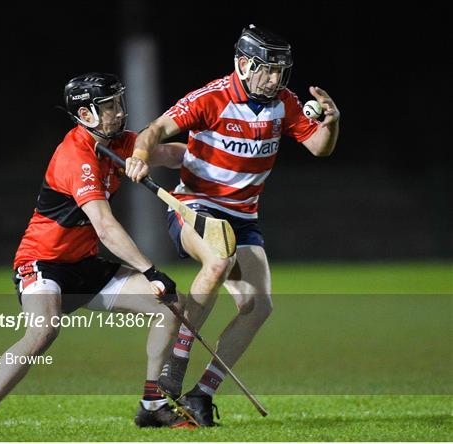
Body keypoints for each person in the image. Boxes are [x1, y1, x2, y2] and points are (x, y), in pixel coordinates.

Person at [125, 24, 341, 426]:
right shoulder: (213, 97)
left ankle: (201, 394)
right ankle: (177, 363)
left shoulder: (285, 103)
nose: (275, 79)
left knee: (258, 306)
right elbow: (154, 130)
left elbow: (318, 147)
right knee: (217, 261)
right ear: (243, 64)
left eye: (280, 71)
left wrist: (332, 122)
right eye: (266, 69)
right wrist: (140, 153)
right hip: (195, 206)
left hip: (244, 217)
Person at [0, 72, 194, 432]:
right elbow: (104, 225)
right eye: (109, 107)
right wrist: (150, 270)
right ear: (85, 116)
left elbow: (169, 154)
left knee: (170, 304)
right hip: (43, 262)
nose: (119, 112)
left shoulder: (119, 142)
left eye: (119, 103)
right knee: (43, 332)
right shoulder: (75, 156)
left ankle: (152, 405)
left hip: (84, 265)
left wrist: (203, 155)